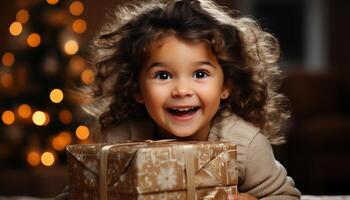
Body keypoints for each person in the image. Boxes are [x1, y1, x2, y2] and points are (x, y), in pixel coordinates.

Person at [57, 0, 301, 199]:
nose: (182, 90)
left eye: (200, 74)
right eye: (163, 75)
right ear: (137, 88)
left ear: (226, 85)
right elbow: (79, 192)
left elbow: (285, 196)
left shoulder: (246, 145)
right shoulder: (121, 138)